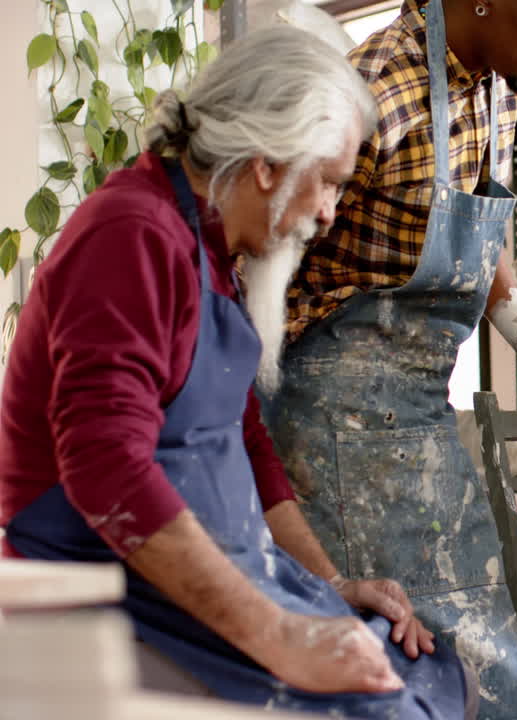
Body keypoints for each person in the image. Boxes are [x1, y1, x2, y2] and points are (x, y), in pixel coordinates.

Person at [0, 26, 475, 719]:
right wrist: (283, 635)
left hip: (205, 570)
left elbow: (242, 439)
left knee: (420, 665)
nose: (327, 213)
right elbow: (106, 467)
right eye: (328, 184)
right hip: (105, 584)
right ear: (267, 164)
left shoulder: (211, 250)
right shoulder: (130, 235)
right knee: (377, 708)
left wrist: (326, 582)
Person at [262, 2, 517, 717]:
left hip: (421, 408)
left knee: (484, 661)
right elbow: (275, 236)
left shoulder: (500, 85)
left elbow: (482, 229)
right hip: (333, 419)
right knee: (385, 656)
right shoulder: (378, 83)